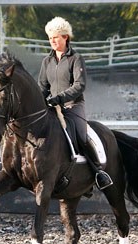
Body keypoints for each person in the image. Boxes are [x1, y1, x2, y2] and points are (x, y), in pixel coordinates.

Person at [38, 16, 112, 190]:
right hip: (52, 108)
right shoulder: (46, 61)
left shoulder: (76, 58)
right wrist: (42, 101)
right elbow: (42, 86)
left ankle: (97, 173)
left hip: (73, 106)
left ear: (65, 37)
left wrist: (59, 98)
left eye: (56, 37)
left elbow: (80, 85)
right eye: (50, 38)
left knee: (80, 136)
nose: (52, 41)